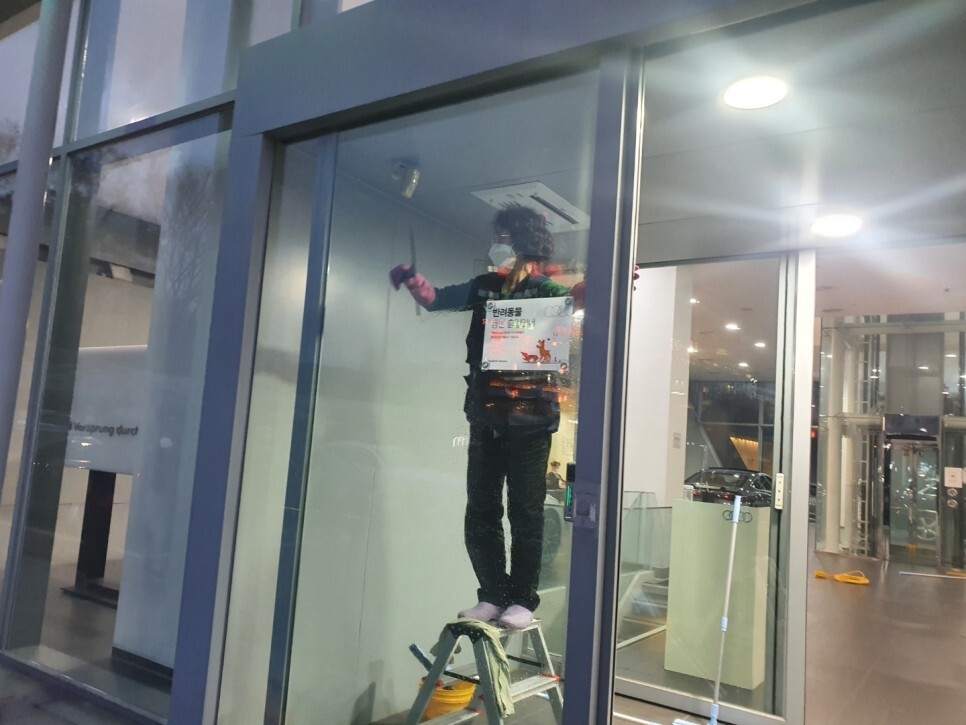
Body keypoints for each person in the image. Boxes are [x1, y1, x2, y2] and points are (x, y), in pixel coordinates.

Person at [389, 204, 580, 629]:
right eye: (497, 237)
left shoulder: (545, 289)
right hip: (486, 416)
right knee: (481, 508)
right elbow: (436, 298)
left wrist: (610, 283)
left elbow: (581, 297)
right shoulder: (486, 286)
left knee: (525, 511)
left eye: (504, 237)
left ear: (523, 241)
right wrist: (414, 282)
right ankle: (492, 594)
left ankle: (523, 599)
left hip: (531, 418)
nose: (497, 244)